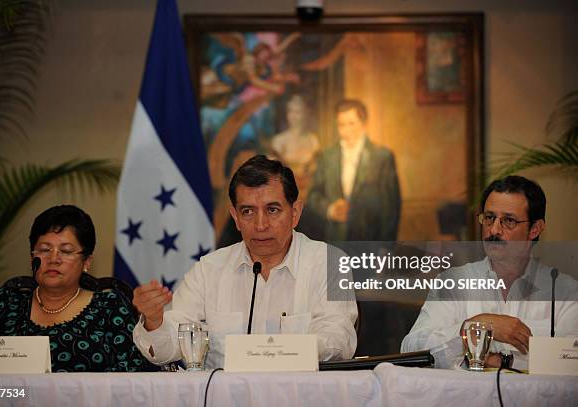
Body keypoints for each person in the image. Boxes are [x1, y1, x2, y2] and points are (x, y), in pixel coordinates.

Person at [132, 155, 357, 368]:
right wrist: (154, 321)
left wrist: (274, 352)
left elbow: (338, 340)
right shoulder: (208, 270)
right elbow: (168, 347)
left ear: (295, 212)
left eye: (272, 209)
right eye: (248, 211)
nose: (260, 225)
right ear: (236, 218)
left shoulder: (330, 263)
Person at [401, 176, 578, 369]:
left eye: (508, 220)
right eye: (489, 218)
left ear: (535, 229)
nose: (493, 230)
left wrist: (504, 360)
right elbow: (411, 349)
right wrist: (472, 329)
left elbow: (572, 360)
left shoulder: (564, 291)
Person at [0, 205, 153, 372]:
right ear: (32, 257)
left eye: (66, 251)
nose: (53, 259)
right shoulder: (4, 303)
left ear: (86, 261)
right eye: (45, 249)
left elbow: (136, 374)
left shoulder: (109, 307)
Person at [305, 99, 401, 242]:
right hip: (335, 241)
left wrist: (385, 249)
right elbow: (313, 196)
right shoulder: (327, 157)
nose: (346, 130)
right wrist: (330, 210)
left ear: (363, 124)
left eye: (351, 124)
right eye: (341, 125)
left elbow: (391, 209)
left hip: (370, 243)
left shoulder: (382, 157)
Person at [270, 94, 320, 197]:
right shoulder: (279, 141)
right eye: (290, 111)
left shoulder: (313, 140)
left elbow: (316, 172)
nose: (293, 116)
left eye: (298, 112)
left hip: (308, 194)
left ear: (306, 113)